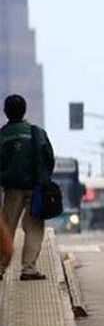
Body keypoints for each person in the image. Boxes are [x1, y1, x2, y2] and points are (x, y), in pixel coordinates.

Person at [0, 94, 55, 281]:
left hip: (11, 190)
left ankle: (0, 268)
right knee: (34, 228)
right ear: (24, 110)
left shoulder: (2, 135)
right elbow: (49, 158)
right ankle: (29, 269)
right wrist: (43, 179)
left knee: (6, 228)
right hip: (35, 189)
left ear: (5, 112)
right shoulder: (36, 132)